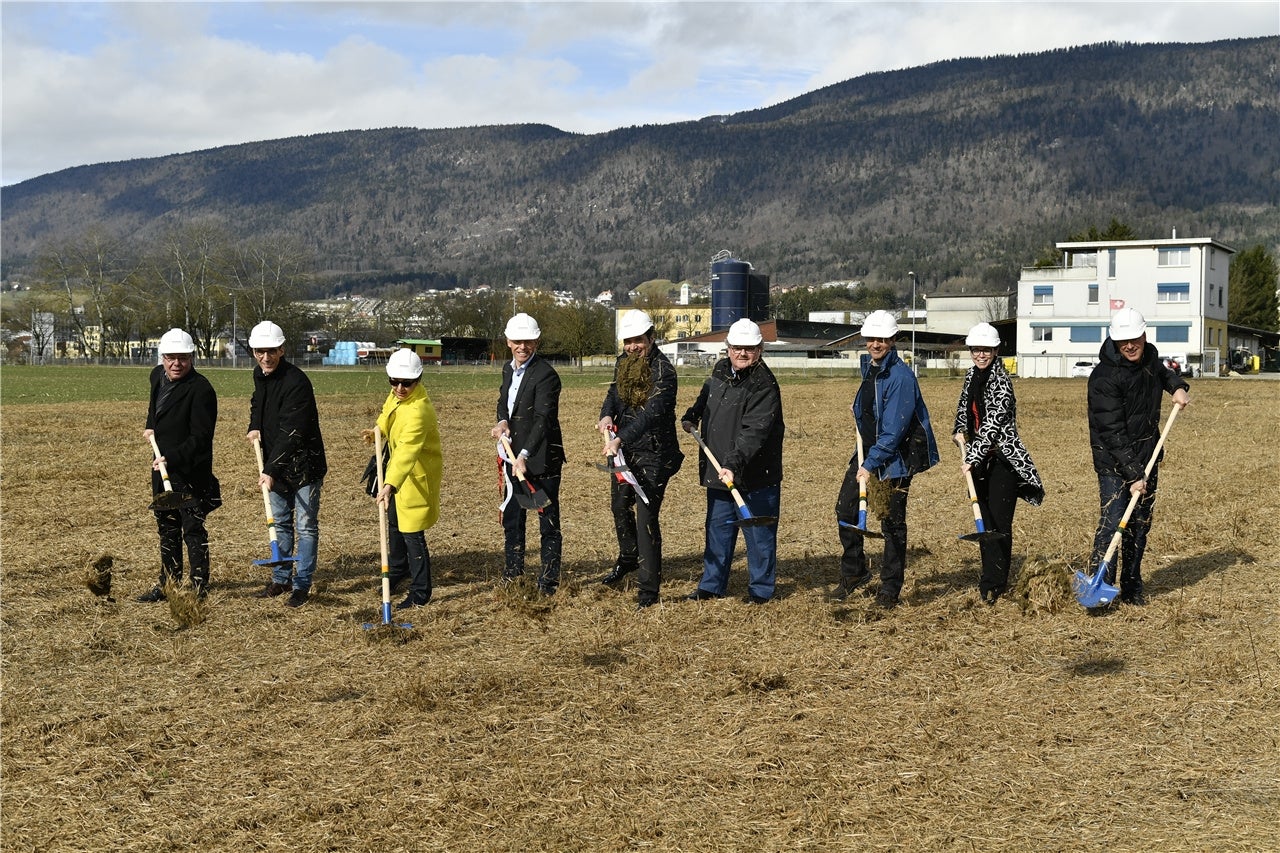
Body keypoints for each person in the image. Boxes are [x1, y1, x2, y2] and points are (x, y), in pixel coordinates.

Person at [834, 309, 939, 609]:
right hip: (868, 452)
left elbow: (894, 432)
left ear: (893, 340)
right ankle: (855, 573)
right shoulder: (871, 367)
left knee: (892, 522)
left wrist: (870, 465)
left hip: (895, 459)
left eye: (882, 339)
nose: (875, 344)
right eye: (871, 339)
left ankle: (890, 588)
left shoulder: (902, 377)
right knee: (845, 509)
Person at [1086, 307, 1189, 605]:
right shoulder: (1104, 378)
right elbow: (1112, 431)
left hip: (1147, 454)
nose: (1130, 346)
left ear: (1144, 336)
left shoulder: (1149, 360)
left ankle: (1132, 588)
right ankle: (1101, 589)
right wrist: (1133, 474)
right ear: (1114, 342)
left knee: (1139, 525)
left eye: (1135, 339)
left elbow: (1163, 373)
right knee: (1113, 523)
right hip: (1114, 462)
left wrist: (1177, 387)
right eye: (1123, 342)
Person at [682, 318, 784, 604]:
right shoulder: (720, 370)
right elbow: (707, 395)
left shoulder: (764, 385)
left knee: (758, 532)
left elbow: (755, 432)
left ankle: (761, 590)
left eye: (749, 349)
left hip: (755, 472)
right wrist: (694, 414)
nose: (742, 353)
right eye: (737, 348)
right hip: (720, 467)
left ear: (760, 349)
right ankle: (712, 585)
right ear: (727, 349)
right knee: (718, 529)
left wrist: (734, 463)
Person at [951, 322, 1044, 605]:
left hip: (1003, 458)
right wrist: (959, 432)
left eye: (986, 349)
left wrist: (973, 455)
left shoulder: (1002, 381)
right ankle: (988, 577)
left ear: (996, 350)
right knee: (984, 522)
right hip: (979, 459)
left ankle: (996, 583)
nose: (980, 354)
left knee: (999, 523)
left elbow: (993, 424)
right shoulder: (971, 376)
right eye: (976, 349)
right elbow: (964, 409)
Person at [597, 309, 684, 609]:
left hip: (655, 453)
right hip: (625, 451)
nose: (633, 346)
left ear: (651, 338)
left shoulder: (664, 371)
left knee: (646, 518)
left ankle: (648, 591)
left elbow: (651, 415)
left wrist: (620, 437)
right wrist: (606, 415)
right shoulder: (624, 362)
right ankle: (629, 559)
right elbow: (613, 393)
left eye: (638, 340)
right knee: (619, 507)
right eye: (628, 341)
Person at [244, 321, 328, 608]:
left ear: (282, 349)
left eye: (271, 351)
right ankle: (281, 579)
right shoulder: (260, 374)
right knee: (280, 523)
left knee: (305, 525)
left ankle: (302, 584)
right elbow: (258, 403)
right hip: (275, 462)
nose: (265, 358)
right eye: (259, 352)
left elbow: (293, 432)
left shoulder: (297, 383)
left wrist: (269, 470)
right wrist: (255, 425)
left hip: (305, 465)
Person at [137, 328, 220, 602]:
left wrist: (172, 457)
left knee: (192, 527)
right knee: (166, 525)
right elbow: (154, 407)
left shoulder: (201, 390)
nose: (176, 363)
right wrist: (151, 425)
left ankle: (199, 586)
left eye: (182, 358)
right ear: (162, 357)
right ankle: (168, 584)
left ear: (192, 357)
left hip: (190, 470)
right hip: (161, 469)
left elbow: (201, 437)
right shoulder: (156, 377)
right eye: (171, 357)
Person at [491, 313, 565, 595]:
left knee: (547, 520)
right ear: (508, 342)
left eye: (529, 342)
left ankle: (548, 581)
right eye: (518, 341)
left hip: (542, 457)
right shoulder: (508, 370)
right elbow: (503, 402)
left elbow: (543, 419)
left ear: (536, 342)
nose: (523, 347)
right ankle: (513, 574)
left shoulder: (546, 375)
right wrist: (502, 421)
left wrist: (524, 454)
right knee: (513, 516)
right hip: (513, 457)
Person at [375, 348, 444, 608]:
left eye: (407, 383)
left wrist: (389, 484)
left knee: (412, 532)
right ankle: (398, 569)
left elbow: (407, 451)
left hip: (415, 475)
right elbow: (386, 413)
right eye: (394, 382)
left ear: (419, 379)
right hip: (397, 472)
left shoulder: (419, 410)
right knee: (394, 523)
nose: (400, 388)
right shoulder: (398, 397)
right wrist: (377, 432)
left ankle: (420, 591)